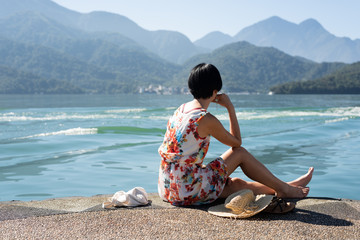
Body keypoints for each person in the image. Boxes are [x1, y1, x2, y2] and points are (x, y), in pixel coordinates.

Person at [158, 63, 314, 206]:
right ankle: (286, 189)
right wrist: (230, 108)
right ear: (215, 91)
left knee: (234, 184)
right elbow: (237, 143)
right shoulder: (204, 118)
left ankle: (288, 186)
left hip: (167, 187)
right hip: (186, 188)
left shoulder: (181, 109)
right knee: (240, 153)